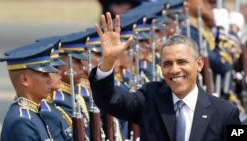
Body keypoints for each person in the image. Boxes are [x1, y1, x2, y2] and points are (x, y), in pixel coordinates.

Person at [89, 12, 241, 141]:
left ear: (199, 64)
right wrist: (108, 62)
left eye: (182, 62)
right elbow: (109, 100)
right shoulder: (149, 98)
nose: (175, 70)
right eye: (167, 64)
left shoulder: (226, 112)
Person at [0, 41, 58, 141]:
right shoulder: (22, 122)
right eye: (44, 75)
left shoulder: (32, 114)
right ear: (25, 80)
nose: (50, 80)